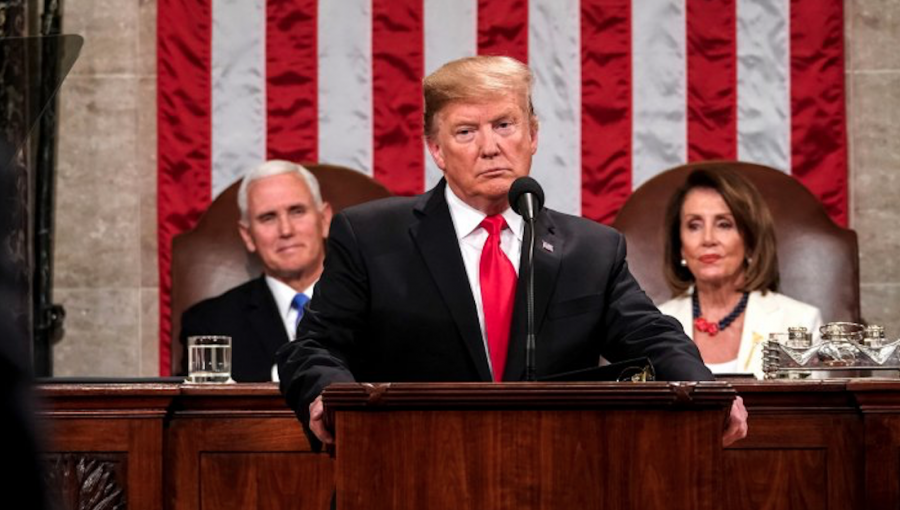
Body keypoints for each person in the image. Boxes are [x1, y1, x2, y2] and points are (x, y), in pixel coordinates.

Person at [276, 56, 747, 446]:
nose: (490, 148)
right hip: (410, 467)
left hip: (558, 471)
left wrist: (708, 392)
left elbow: (652, 338)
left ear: (533, 135)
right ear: (436, 149)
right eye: (466, 132)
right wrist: (326, 397)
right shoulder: (371, 236)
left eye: (505, 125)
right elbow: (314, 347)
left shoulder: (591, 250)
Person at [658, 168, 823, 378]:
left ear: (751, 241)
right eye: (694, 226)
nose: (708, 239)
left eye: (724, 224)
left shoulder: (800, 322)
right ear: (680, 246)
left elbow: (814, 410)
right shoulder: (655, 325)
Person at [179, 160, 332, 381]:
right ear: (248, 236)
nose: (286, 230)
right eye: (268, 218)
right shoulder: (209, 324)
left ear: (324, 219)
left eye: (297, 211)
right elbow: (201, 410)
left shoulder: (374, 309)